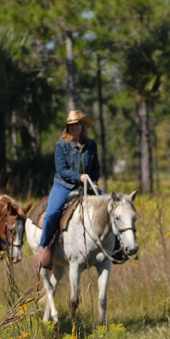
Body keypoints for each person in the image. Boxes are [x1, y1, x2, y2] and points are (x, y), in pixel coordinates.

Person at [34, 109, 101, 269]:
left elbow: (96, 167)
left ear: (83, 126)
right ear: (68, 128)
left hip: (88, 185)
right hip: (63, 185)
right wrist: (80, 177)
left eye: (77, 124)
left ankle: (116, 246)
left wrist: (95, 181)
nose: (74, 127)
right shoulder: (61, 145)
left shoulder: (91, 145)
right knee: (51, 213)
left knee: (112, 206)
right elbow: (61, 170)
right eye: (71, 125)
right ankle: (44, 246)